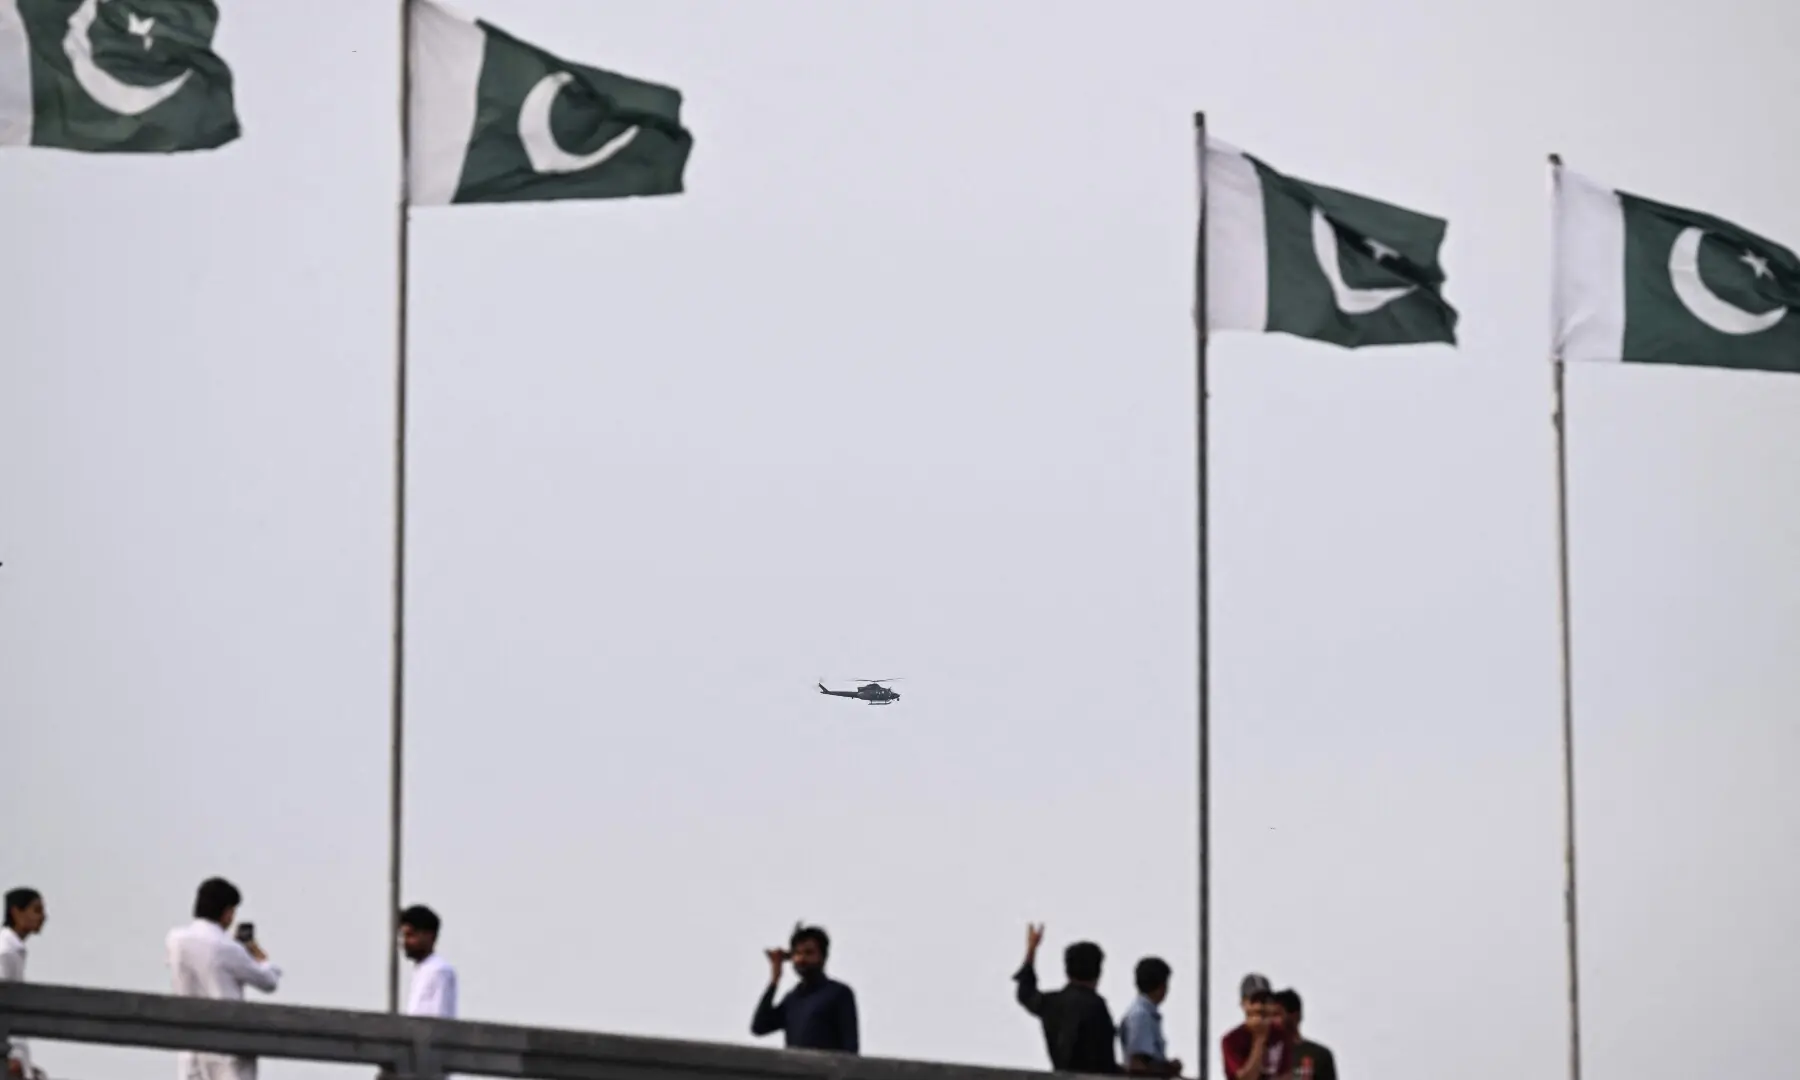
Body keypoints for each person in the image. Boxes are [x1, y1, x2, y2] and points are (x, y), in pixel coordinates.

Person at [166, 878, 281, 1080]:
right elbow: (268, 982)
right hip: (227, 1048)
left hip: (190, 1045)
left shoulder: (175, 940)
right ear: (227, 912)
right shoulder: (228, 948)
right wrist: (259, 956)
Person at [1012, 923, 1118, 1074]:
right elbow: (1104, 1059)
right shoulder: (1096, 1006)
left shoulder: (1051, 1003)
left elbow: (1025, 993)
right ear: (1099, 971)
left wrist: (1031, 949)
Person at [750, 924, 858, 1053]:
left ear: (823, 957)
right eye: (797, 953)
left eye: (809, 953)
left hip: (827, 1071)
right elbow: (759, 1026)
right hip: (796, 1071)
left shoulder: (839, 993)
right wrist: (775, 979)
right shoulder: (792, 999)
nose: (801, 959)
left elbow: (851, 1048)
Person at [2, 888, 47, 1080]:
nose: (43, 917)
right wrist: (9, 1057)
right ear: (16, 912)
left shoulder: (13, 950)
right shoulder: (5, 951)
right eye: (36, 910)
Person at [1119, 957, 1181, 1077]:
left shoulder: (1144, 1014)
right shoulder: (1141, 1016)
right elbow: (1137, 1064)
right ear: (1162, 987)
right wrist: (1168, 1069)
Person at [1220, 976, 1290, 1080]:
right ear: (1244, 1004)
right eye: (1254, 1001)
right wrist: (1260, 1039)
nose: (1260, 1007)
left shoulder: (1281, 1035)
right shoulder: (1231, 1040)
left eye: (1265, 1001)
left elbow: (1287, 1073)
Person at [398, 906, 457, 1019]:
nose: (405, 942)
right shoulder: (421, 970)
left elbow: (440, 1016)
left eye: (410, 935)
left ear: (430, 936)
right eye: (403, 936)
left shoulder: (439, 970)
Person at [1272, 989, 1336, 1080]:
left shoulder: (1320, 1055)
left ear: (1295, 1016)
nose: (1270, 1021)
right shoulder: (1262, 1054)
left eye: (1276, 1014)